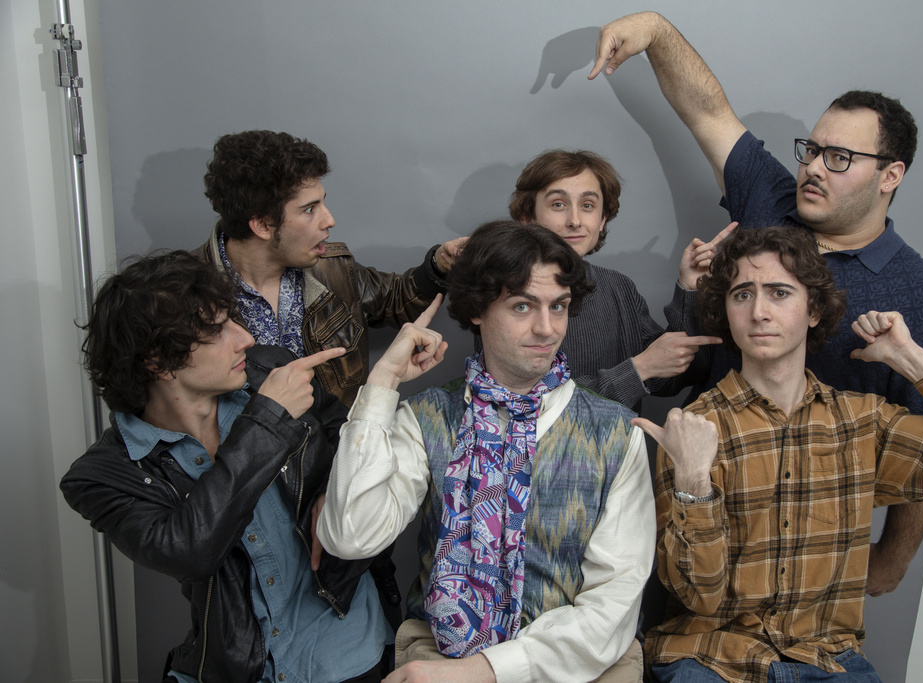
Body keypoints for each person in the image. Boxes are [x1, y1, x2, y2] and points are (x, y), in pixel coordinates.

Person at [588, 13, 923, 596]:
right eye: (811, 150)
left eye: (838, 158)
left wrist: (892, 560)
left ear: (891, 174)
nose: (813, 168)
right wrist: (657, 32)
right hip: (691, 508)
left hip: (807, 545)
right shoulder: (770, 200)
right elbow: (708, 112)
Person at [630, 227, 923, 682]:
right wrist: (694, 480)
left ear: (813, 310)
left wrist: (910, 358)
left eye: (779, 293)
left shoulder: (863, 423)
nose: (759, 312)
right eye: (742, 295)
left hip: (827, 659)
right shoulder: (693, 428)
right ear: (726, 311)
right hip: (712, 658)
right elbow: (700, 597)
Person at [317, 221, 656, 683]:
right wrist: (380, 386)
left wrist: (488, 671)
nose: (547, 328)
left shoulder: (616, 433)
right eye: (522, 306)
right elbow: (349, 537)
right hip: (441, 655)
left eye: (559, 306)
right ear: (477, 310)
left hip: (583, 663)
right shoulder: (426, 418)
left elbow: (612, 605)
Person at [60, 251, 390, 683]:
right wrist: (268, 419)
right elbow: (191, 551)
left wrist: (334, 487)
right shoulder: (104, 476)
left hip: (348, 645)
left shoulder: (269, 369)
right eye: (217, 331)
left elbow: (347, 436)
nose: (245, 339)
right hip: (242, 665)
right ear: (156, 362)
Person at [197, 128, 467, 409]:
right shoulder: (181, 293)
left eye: (322, 202)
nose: (329, 220)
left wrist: (439, 263)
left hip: (341, 449)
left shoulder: (333, 269)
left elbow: (396, 298)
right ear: (263, 225)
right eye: (310, 209)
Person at [509, 149, 723, 412]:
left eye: (588, 206)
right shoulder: (507, 290)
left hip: (624, 451)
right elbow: (525, 405)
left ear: (602, 220)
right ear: (527, 217)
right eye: (558, 204)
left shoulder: (618, 287)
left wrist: (689, 290)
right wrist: (639, 369)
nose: (575, 221)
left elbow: (678, 377)